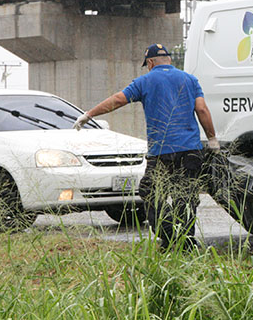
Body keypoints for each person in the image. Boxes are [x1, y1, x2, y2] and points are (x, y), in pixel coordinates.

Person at [73, 43, 219, 250]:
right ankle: (186, 243)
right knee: (185, 197)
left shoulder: (145, 81)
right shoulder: (190, 79)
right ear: (168, 59)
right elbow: (202, 109)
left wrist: (89, 114)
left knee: (150, 193)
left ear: (150, 63)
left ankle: (169, 238)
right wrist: (212, 139)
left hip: (161, 153)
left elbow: (117, 100)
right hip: (190, 150)